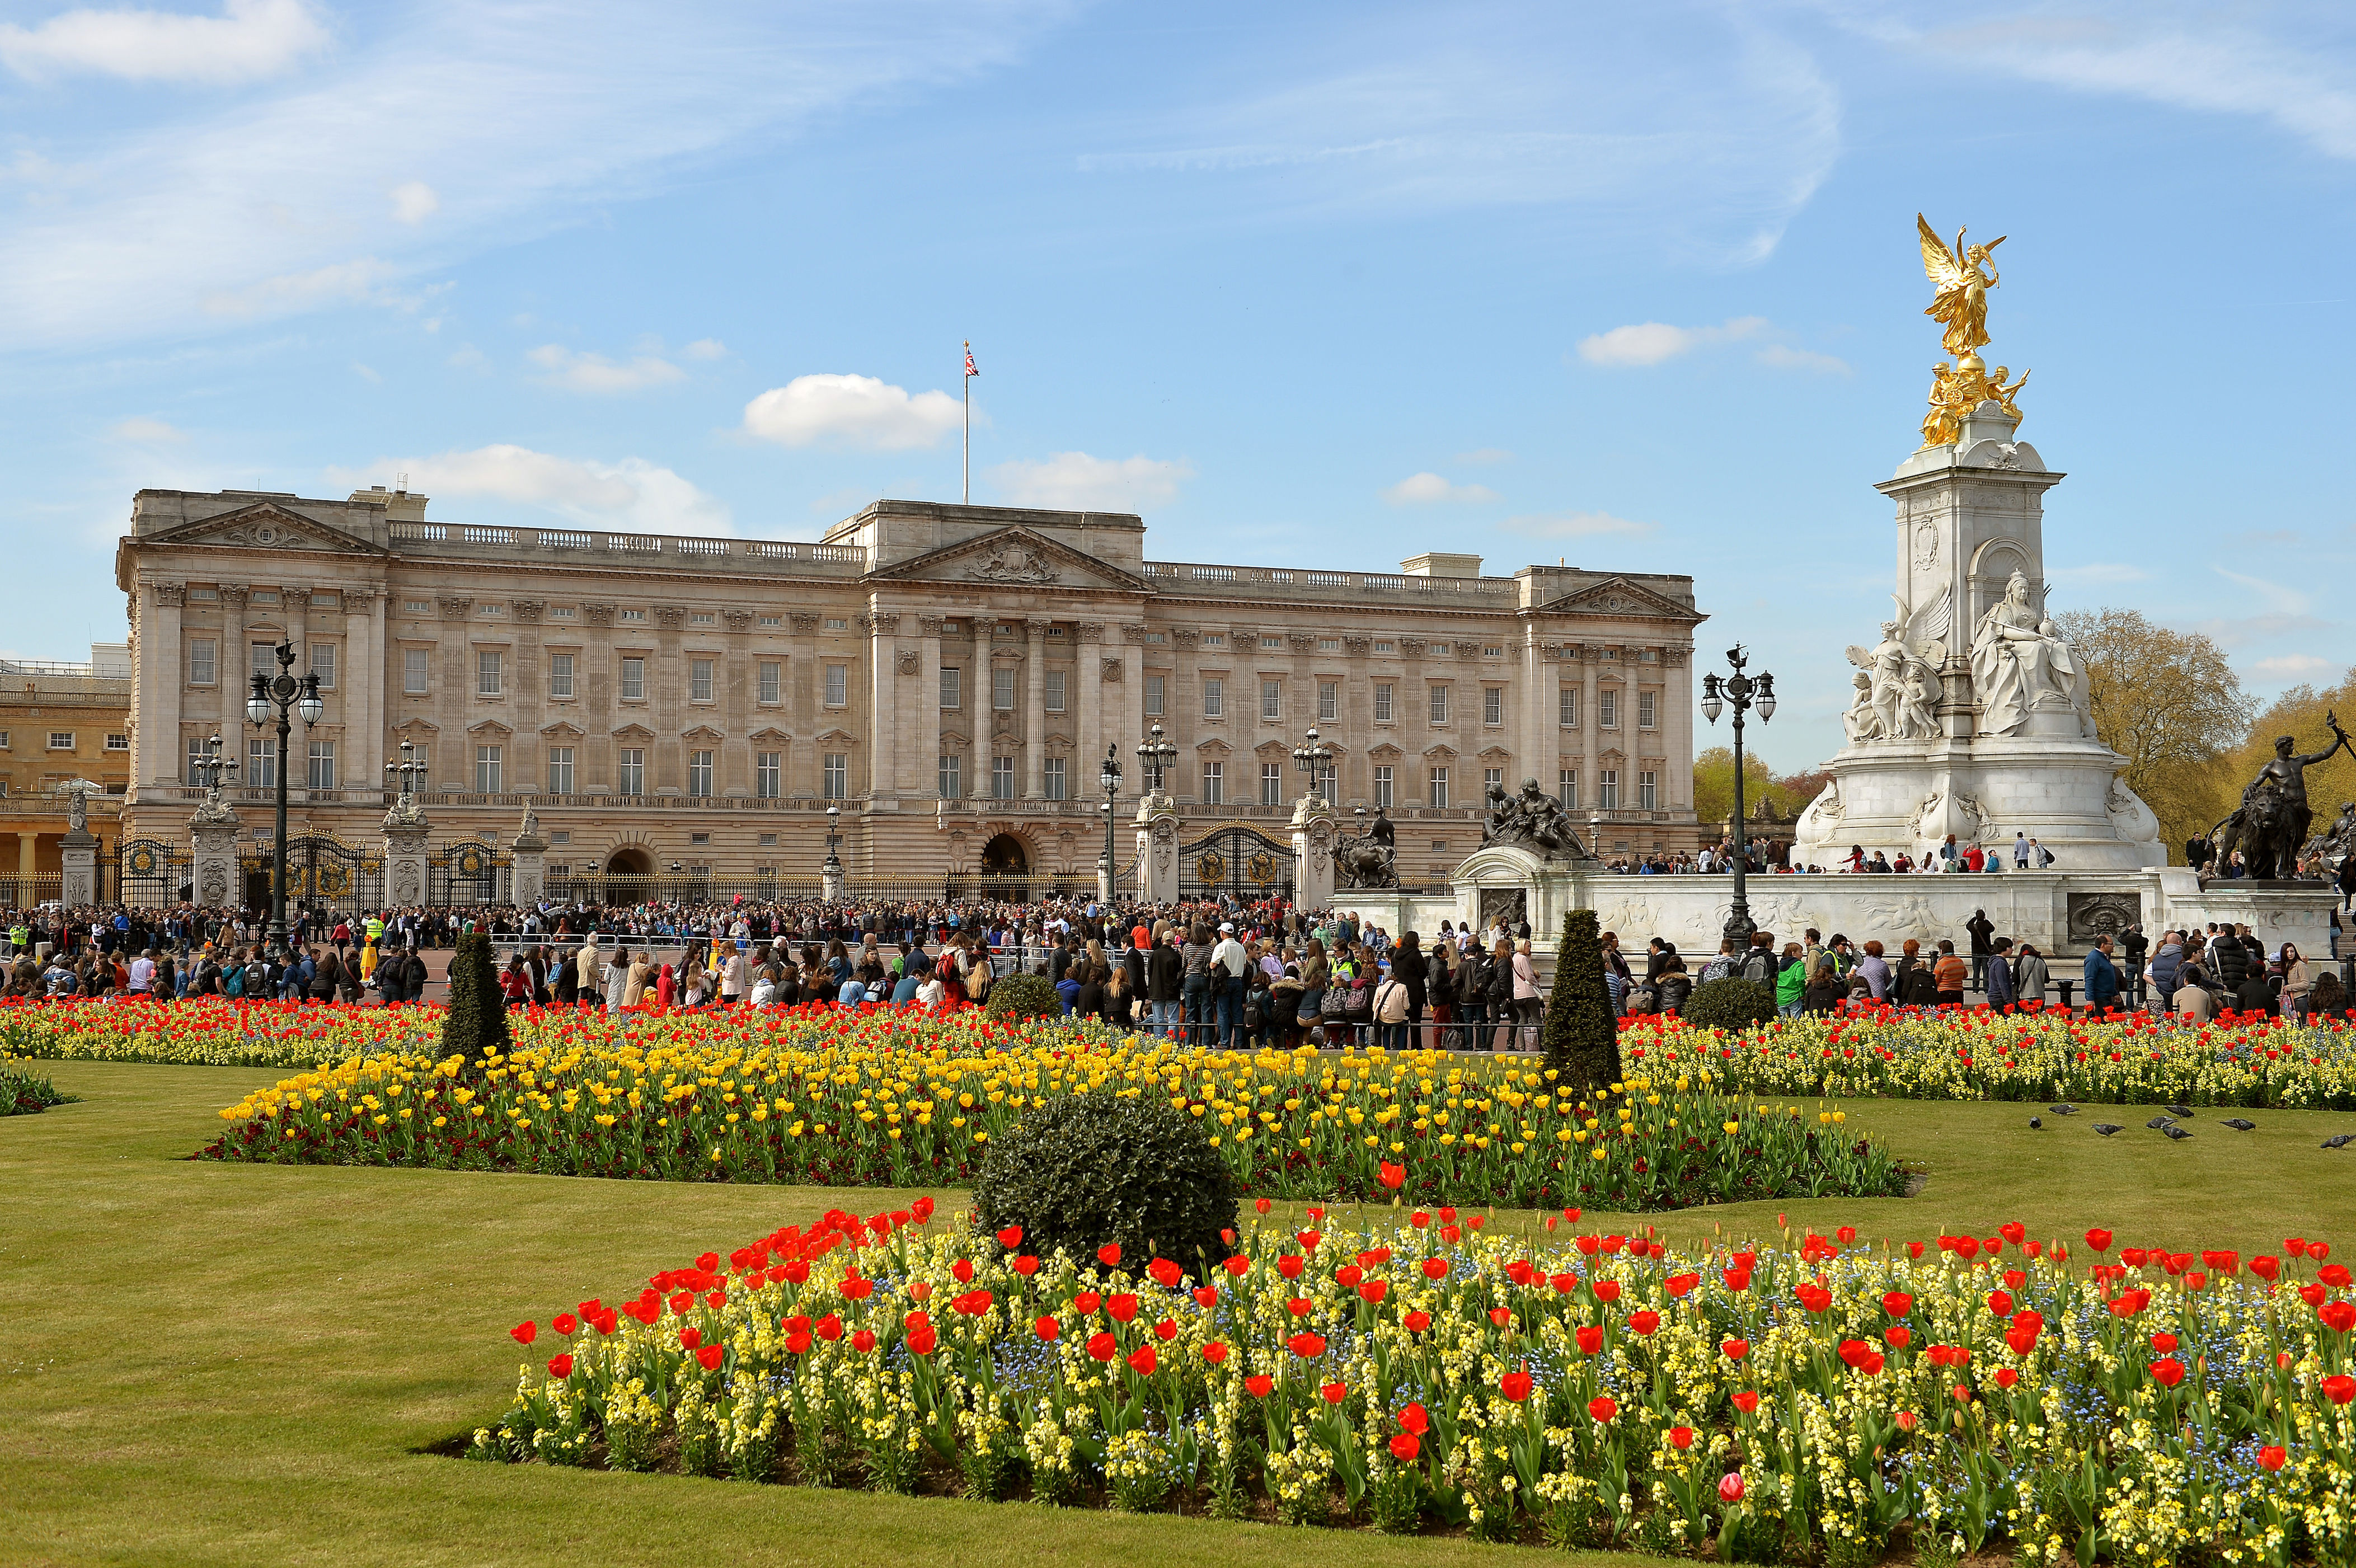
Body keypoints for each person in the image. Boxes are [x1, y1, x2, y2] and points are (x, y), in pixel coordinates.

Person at [2081, 935, 2120, 1013]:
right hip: (2100, 998)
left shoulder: (2104, 957)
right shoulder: (2093, 958)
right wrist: (2090, 999)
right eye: (2111, 944)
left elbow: (2106, 977)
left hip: (2107, 996)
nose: (2114, 946)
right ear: (2103, 945)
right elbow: (2089, 979)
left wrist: (2115, 993)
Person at [1965, 910, 1994, 990]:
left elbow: (1968, 925)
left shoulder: (1973, 927)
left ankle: (1975, 988)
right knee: (1986, 971)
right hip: (1985, 952)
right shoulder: (1987, 926)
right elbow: (1993, 928)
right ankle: (1986, 987)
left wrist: (1974, 918)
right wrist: (1986, 920)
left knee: (1976, 971)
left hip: (1976, 952)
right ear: (1984, 916)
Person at [1986, 937, 2016, 1010]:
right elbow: (2003, 983)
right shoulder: (2000, 963)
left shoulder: (1998, 961)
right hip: (1999, 997)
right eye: (2010, 947)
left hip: (1996, 997)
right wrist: (2009, 1001)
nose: (2012, 950)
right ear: (2004, 948)